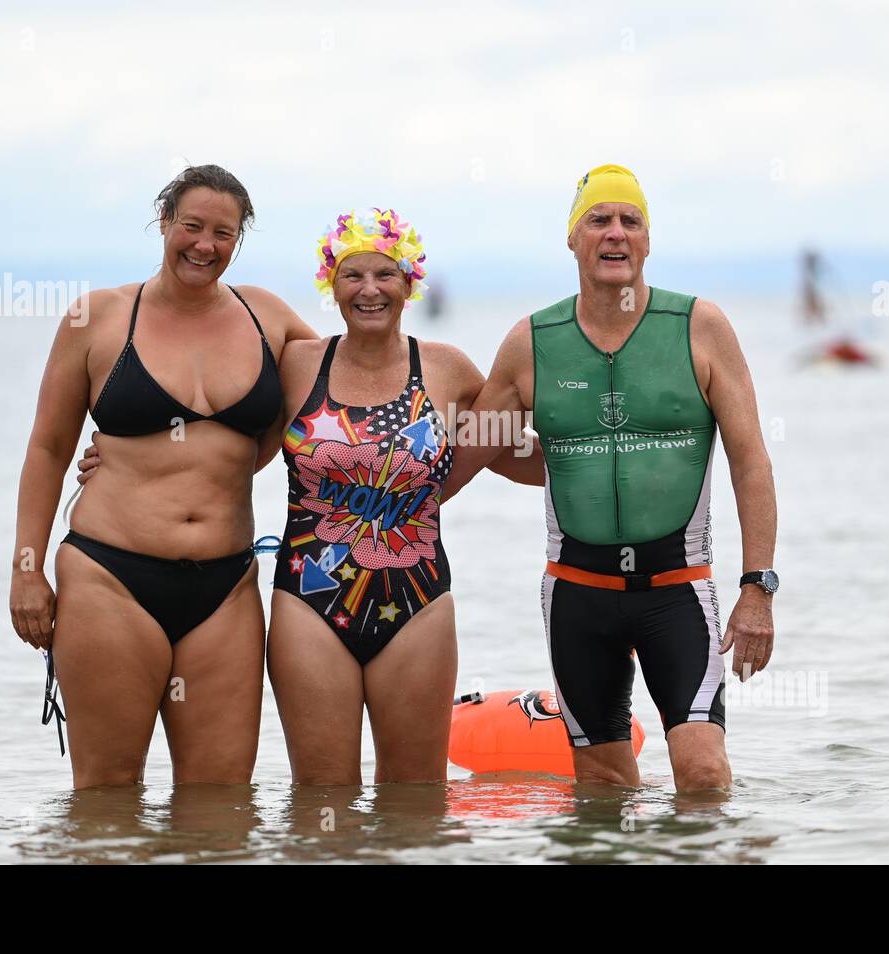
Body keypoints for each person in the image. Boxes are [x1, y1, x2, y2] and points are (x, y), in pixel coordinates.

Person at [76, 208, 543, 785]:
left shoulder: (446, 370)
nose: (369, 290)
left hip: (418, 602)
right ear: (332, 285)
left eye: (385, 275)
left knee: (418, 800)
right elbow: (222, 437)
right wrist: (126, 459)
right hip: (310, 605)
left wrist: (603, 459)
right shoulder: (299, 363)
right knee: (321, 802)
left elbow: (506, 451)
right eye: (353, 276)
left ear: (409, 283)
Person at [448, 164, 779, 794]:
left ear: (649, 240)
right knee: (601, 786)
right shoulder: (531, 342)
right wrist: (367, 493)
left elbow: (751, 461)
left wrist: (758, 588)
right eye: (599, 220)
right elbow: (474, 454)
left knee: (704, 775)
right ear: (572, 239)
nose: (616, 234)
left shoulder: (698, 327)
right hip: (577, 592)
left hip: (677, 591)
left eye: (631, 221)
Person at [10, 164, 317, 788]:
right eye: (192, 226)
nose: (205, 245)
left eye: (223, 234)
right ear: (164, 222)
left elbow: (341, 398)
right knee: (107, 802)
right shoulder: (95, 318)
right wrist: (26, 570)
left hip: (226, 588)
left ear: (239, 241)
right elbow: (46, 448)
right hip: (109, 577)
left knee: (222, 808)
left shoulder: (271, 319)